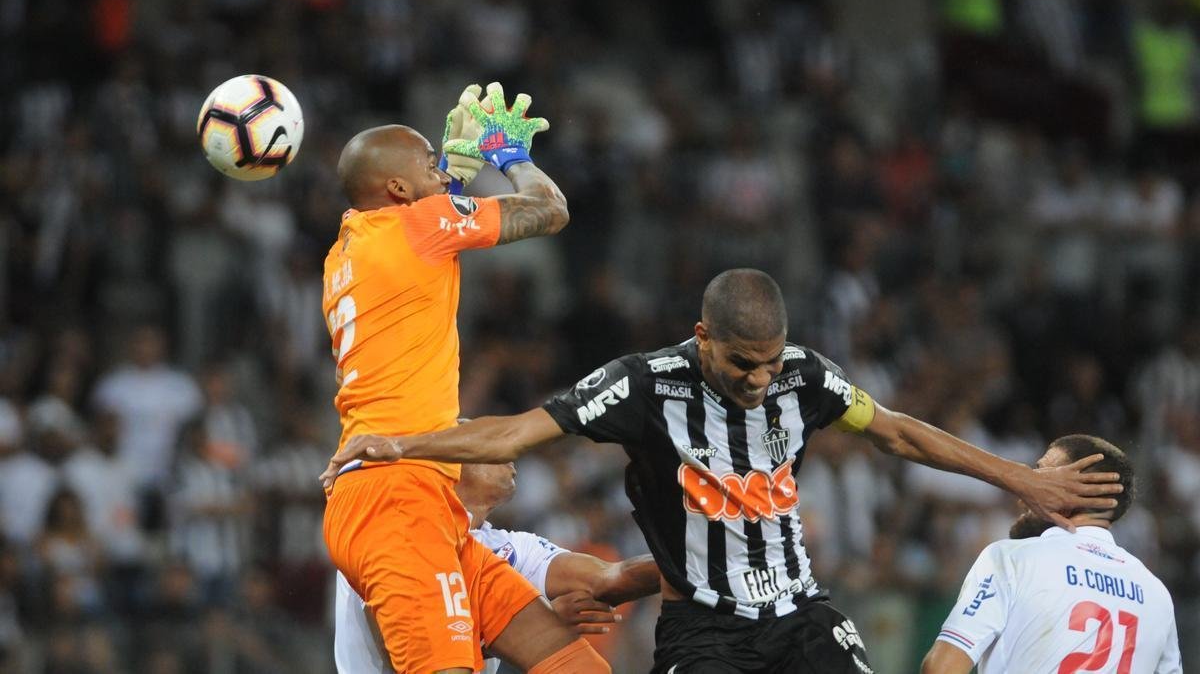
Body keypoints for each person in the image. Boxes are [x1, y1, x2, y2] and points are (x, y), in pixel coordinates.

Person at [321, 268, 1124, 673]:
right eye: (743, 363)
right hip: (704, 630)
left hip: (799, 610)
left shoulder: (805, 376)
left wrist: (1020, 477)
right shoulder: (643, 383)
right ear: (702, 336)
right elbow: (518, 433)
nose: (759, 380)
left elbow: (901, 434)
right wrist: (402, 443)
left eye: (770, 363)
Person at [322, 81, 609, 674]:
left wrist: (445, 177)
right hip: (397, 497)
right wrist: (511, 156)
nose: (445, 171)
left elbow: (417, 233)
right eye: (431, 164)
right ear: (399, 188)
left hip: (412, 496)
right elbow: (549, 209)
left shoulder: (348, 246)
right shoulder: (420, 225)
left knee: (578, 667)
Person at [334, 459, 661, 673]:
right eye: (490, 447)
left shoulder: (509, 546)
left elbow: (607, 577)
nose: (509, 452)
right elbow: (397, 653)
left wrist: (697, 565)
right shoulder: (394, 532)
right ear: (452, 466)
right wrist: (526, 629)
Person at [921, 435, 1182, 674]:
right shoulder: (1157, 595)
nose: (1025, 489)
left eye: (1041, 474)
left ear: (1071, 491)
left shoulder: (1012, 560)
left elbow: (941, 668)